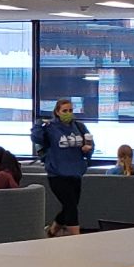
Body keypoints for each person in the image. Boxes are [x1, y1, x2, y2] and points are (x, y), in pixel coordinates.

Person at [32, 98, 94, 236]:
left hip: (76, 172)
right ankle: (76, 238)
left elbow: (90, 145)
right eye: (64, 111)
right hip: (57, 174)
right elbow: (36, 138)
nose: (68, 113)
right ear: (57, 112)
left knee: (70, 206)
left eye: (70, 110)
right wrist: (38, 123)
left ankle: (53, 230)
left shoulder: (79, 127)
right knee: (71, 207)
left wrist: (87, 150)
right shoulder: (50, 128)